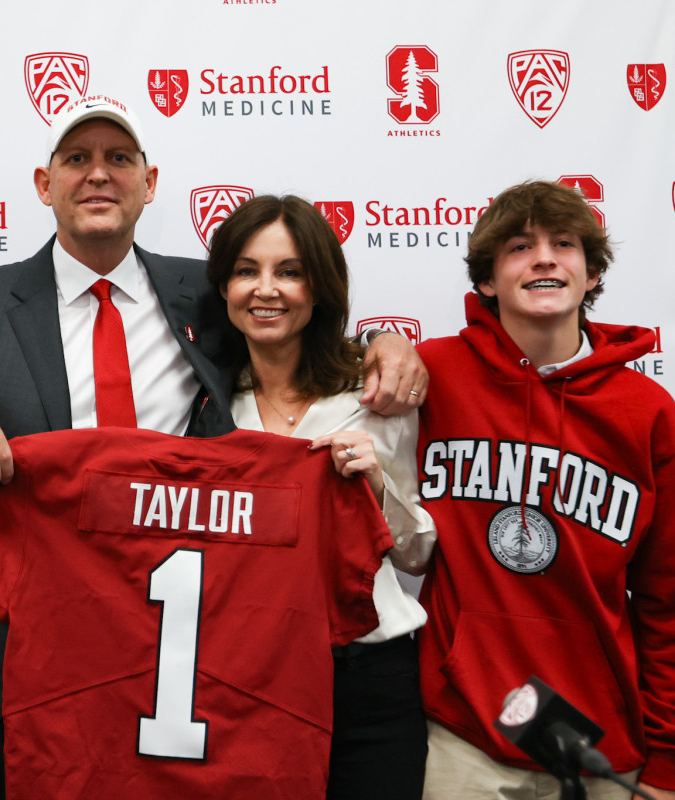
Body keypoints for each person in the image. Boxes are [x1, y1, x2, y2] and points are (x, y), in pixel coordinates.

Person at [0, 95, 427, 800]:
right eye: (77, 159)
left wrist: (385, 345)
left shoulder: (202, 294)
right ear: (43, 183)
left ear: (150, 184)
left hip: (182, 658)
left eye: (119, 159)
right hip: (26, 653)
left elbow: (289, 327)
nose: (98, 175)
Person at [414, 180, 675, 800]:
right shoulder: (433, 375)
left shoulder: (645, 411)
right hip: (464, 735)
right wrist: (380, 343)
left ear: (592, 273)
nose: (544, 257)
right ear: (487, 282)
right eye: (520, 246)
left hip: (603, 745)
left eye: (564, 243)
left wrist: (670, 762)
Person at [205, 194, 435, 800]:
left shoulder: (377, 392)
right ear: (223, 286)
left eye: (289, 271)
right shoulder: (206, 406)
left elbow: (415, 556)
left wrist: (375, 488)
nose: (266, 289)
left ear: (320, 285)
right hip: (248, 676)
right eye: (246, 270)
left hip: (370, 680)